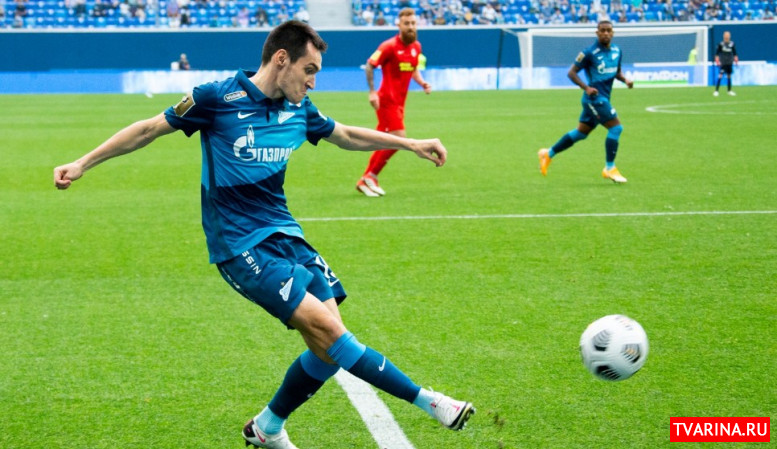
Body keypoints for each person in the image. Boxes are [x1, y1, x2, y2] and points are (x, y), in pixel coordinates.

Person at [53, 21, 473, 449]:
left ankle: (267, 427)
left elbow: (345, 134)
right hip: (239, 245)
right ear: (281, 59)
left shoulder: (300, 109)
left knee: (328, 350)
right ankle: (430, 401)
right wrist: (82, 163)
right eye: (309, 70)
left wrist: (410, 144)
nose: (313, 82)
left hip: (287, 235)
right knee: (332, 336)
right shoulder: (215, 98)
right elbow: (147, 129)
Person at [538, 20, 634, 184]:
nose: (605, 33)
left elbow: (617, 72)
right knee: (616, 128)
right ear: (597, 33)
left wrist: (625, 80)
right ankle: (609, 168)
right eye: (602, 30)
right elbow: (571, 73)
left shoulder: (617, 51)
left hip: (602, 98)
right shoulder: (589, 53)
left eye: (608, 30)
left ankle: (548, 154)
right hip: (594, 99)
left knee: (581, 133)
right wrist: (586, 87)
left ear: (613, 33)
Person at [356, 7, 432, 197]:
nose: (411, 27)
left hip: (400, 103)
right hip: (386, 100)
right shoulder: (388, 46)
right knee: (400, 138)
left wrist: (422, 82)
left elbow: (413, 69)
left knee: (382, 141)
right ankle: (371, 176)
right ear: (399, 25)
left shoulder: (416, 47)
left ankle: (366, 179)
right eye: (407, 24)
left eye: (413, 23)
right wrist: (372, 92)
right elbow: (369, 66)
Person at [713, 31, 738, 97]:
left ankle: (729, 91)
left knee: (729, 76)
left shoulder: (732, 44)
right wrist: (717, 61)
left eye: (728, 35)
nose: (727, 37)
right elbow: (717, 54)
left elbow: (735, 53)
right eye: (726, 35)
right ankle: (716, 91)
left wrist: (736, 60)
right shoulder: (721, 44)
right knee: (720, 75)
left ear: (729, 36)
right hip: (723, 62)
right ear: (724, 36)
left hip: (729, 62)